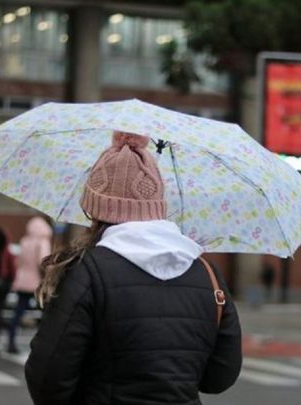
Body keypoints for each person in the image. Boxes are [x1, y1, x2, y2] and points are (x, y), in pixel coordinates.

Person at [25, 131, 242, 404]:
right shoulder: (206, 274)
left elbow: (48, 380)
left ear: (97, 210)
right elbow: (219, 377)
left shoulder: (87, 273)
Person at [7, 216, 52, 354]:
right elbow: (43, 262)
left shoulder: (25, 241)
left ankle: (11, 341)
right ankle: (45, 344)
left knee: (18, 312)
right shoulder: (43, 241)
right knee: (47, 315)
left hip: (22, 281)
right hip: (37, 283)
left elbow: (19, 262)